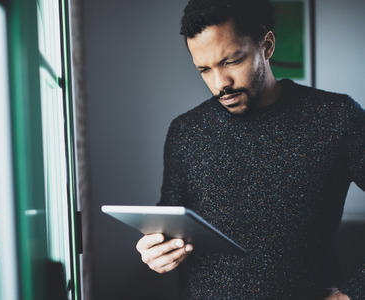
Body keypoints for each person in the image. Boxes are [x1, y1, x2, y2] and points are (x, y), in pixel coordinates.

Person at [136, 0, 364, 299]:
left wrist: (354, 292)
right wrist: (156, 249)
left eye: (231, 61)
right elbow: (170, 217)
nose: (220, 84)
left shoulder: (336, 117)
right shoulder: (185, 131)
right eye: (204, 69)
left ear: (266, 46)